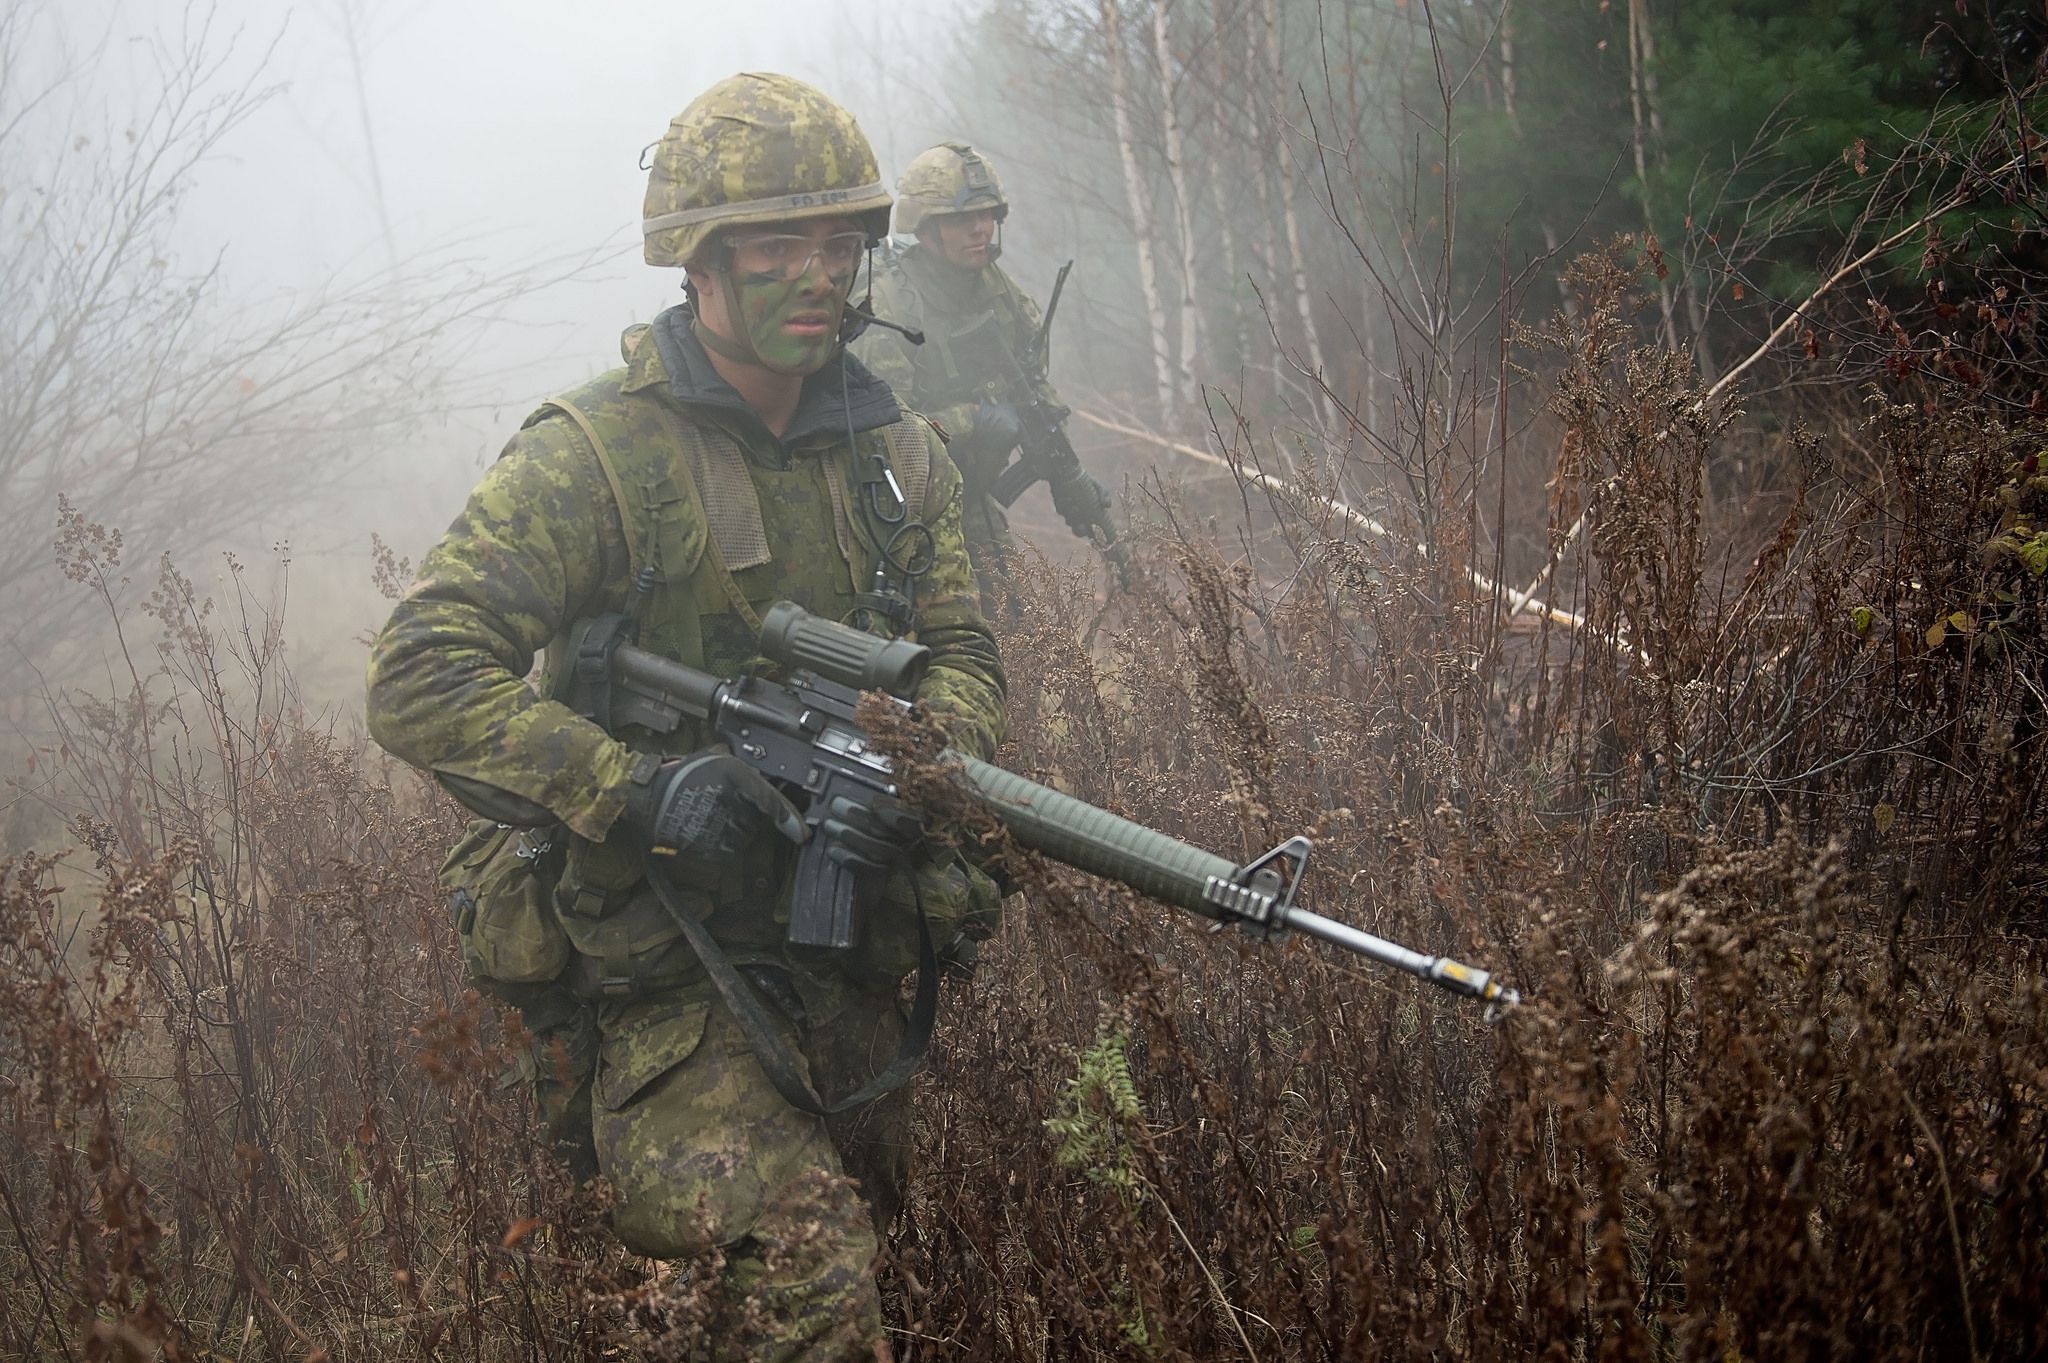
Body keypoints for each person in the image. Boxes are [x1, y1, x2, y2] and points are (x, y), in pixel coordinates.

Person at [365, 72, 1005, 1362]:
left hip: (845, 944)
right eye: (777, 244)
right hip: (663, 961)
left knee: (871, 1235)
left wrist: (927, 760)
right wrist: (629, 785)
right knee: (812, 1280)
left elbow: (963, 654)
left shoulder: (899, 460)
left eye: (838, 243)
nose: (817, 274)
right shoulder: (593, 457)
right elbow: (419, 668)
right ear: (698, 264)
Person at [852, 141, 1112, 597]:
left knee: (1013, 626)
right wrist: (971, 419)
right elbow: (881, 437)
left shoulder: (995, 289)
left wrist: (1068, 471)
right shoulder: (890, 304)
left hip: (969, 495)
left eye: (988, 215)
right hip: (897, 510)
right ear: (926, 228)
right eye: (961, 219)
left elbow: (1031, 383)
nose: (980, 229)